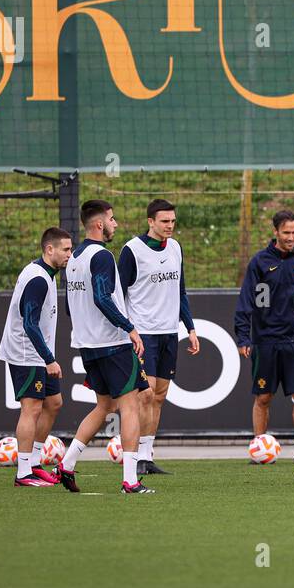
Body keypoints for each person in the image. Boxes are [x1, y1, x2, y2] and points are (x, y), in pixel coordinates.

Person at [58, 201, 150, 494]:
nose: (116, 224)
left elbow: (71, 306)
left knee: (104, 405)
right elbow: (101, 297)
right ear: (99, 224)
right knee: (131, 405)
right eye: (112, 219)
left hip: (87, 343)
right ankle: (130, 480)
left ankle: (66, 464)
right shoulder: (102, 256)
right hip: (111, 343)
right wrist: (129, 328)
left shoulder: (74, 258)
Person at [118, 199, 200, 476]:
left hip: (169, 332)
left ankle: (146, 455)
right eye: (165, 221)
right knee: (146, 393)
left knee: (160, 396)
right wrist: (127, 328)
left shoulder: (175, 247)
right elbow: (119, 293)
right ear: (150, 222)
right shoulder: (132, 250)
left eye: (173, 221)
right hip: (143, 333)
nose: (170, 226)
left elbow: (181, 291)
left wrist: (189, 328)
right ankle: (134, 455)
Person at [233, 211, 294, 467]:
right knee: (263, 398)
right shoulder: (259, 262)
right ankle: (259, 447)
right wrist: (243, 337)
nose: (291, 237)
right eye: (286, 232)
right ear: (276, 232)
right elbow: (246, 300)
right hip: (265, 341)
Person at [0, 227, 73, 487]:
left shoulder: (49, 275)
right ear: (49, 249)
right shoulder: (38, 279)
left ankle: (35, 462)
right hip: (26, 352)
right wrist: (48, 358)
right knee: (32, 408)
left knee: (54, 403)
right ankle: (23, 473)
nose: (69, 255)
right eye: (65, 249)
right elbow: (29, 324)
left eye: (71, 249)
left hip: (37, 353)